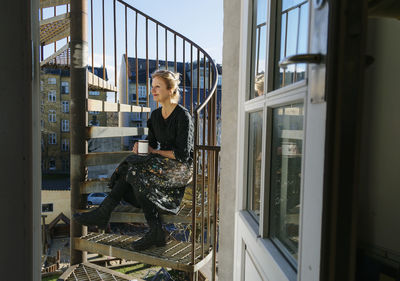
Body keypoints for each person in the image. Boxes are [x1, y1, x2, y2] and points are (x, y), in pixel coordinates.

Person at [74, 69, 194, 251]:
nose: (153, 91)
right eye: (152, 87)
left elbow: (183, 155)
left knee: (134, 171)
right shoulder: (154, 116)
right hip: (163, 164)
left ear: (170, 90)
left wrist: (154, 151)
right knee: (130, 164)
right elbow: (152, 145)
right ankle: (153, 230)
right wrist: (142, 148)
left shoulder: (182, 116)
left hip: (180, 168)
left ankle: (105, 213)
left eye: (158, 87)